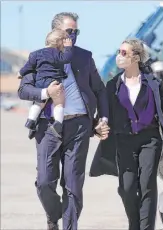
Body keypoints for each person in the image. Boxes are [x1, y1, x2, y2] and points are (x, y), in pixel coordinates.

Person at [17, 12, 109, 230]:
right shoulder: (38, 56)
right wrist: (44, 92)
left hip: (79, 126)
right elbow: (23, 89)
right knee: (45, 182)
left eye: (76, 32)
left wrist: (101, 118)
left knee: (73, 185)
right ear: (56, 32)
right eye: (69, 31)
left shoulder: (84, 57)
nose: (73, 36)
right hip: (48, 126)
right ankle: (54, 216)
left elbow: (100, 90)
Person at [89, 38, 163, 230]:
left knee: (147, 183)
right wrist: (99, 125)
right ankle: (134, 224)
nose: (119, 57)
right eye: (119, 51)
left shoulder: (153, 84)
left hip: (150, 139)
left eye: (124, 53)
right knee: (127, 187)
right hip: (123, 140)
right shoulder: (113, 84)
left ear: (136, 57)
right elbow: (105, 113)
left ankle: (145, 227)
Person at [18, 29, 73, 138]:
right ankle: (58, 123)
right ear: (59, 43)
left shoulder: (35, 54)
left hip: (40, 82)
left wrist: (20, 73)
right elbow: (67, 58)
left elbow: (28, 66)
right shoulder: (58, 54)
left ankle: (31, 120)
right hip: (54, 82)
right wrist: (68, 48)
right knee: (59, 103)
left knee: (39, 103)